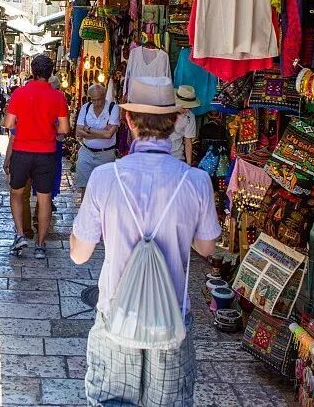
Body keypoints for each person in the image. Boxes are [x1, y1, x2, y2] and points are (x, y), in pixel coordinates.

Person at [70, 76, 221, 407]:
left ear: (128, 120)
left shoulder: (104, 177)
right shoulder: (196, 181)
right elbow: (207, 248)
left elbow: (79, 254)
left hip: (115, 310)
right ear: (177, 120)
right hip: (171, 316)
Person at [3, 54, 69, 258]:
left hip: (22, 151)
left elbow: (8, 123)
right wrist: (50, 129)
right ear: (51, 73)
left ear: (32, 71)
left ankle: (20, 234)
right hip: (46, 153)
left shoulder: (20, 93)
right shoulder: (58, 97)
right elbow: (64, 129)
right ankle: (40, 244)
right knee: (44, 198)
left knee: (16, 193)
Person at [74, 84, 119, 196]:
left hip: (106, 154)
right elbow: (78, 132)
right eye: (93, 100)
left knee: (104, 189)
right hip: (86, 153)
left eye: (99, 99)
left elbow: (109, 135)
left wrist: (88, 129)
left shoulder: (113, 108)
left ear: (104, 96)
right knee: (85, 188)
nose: (96, 103)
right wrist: (102, 132)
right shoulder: (85, 108)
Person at [170, 85, 200, 165]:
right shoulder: (164, 112)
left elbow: (188, 141)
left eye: (190, 107)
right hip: (159, 154)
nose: (187, 110)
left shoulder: (190, 116)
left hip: (177, 155)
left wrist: (189, 163)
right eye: (185, 107)